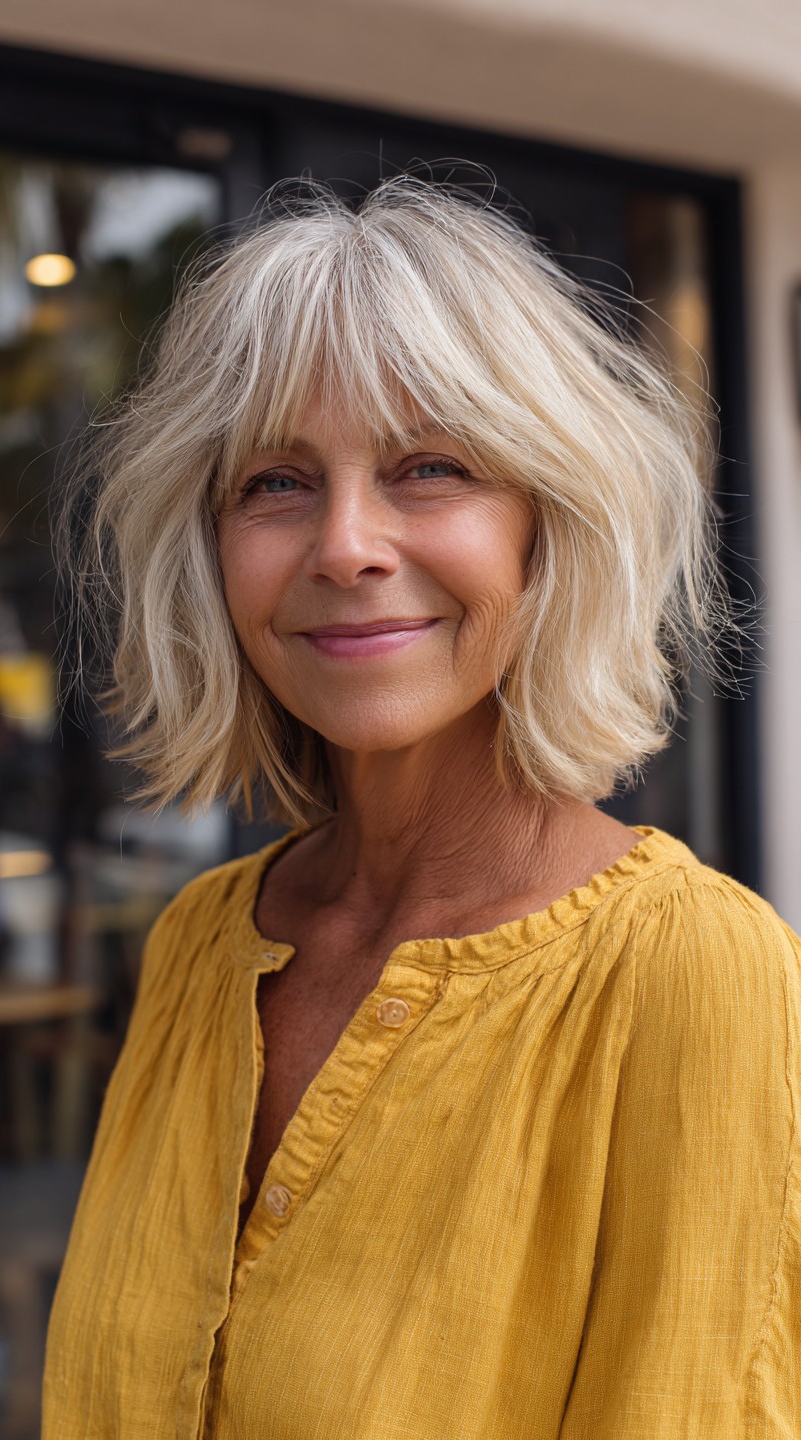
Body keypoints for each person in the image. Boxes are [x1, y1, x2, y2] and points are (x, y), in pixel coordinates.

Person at [43, 176, 800, 1438]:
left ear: (546, 530)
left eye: (430, 467)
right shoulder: (198, 943)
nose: (345, 543)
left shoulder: (695, 972)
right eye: (276, 482)